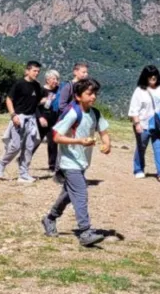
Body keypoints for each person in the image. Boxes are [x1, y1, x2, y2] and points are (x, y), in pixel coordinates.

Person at [41, 78, 111, 247]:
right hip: (69, 162)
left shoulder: (95, 113)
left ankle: (50, 218)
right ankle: (85, 232)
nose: (93, 97)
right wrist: (79, 141)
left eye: (95, 93)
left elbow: (104, 132)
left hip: (82, 162)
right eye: (89, 93)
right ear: (78, 96)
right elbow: (56, 136)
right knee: (80, 193)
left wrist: (107, 144)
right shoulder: (73, 113)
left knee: (68, 194)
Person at [0, 61, 44, 183]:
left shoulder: (37, 86)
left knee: (29, 148)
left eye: (38, 71)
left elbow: (36, 102)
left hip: (31, 119)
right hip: (19, 118)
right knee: (16, 146)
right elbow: (9, 99)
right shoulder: (19, 84)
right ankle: (1, 164)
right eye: (34, 71)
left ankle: (24, 174)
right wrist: (13, 115)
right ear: (27, 71)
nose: (36, 73)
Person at [129, 65, 160, 182]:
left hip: (158, 124)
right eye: (150, 75)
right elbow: (134, 110)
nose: (153, 77)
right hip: (143, 124)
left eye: (155, 75)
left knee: (159, 147)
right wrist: (137, 124)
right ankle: (138, 169)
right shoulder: (139, 91)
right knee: (141, 147)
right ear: (145, 77)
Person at [34, 69, 61, 172]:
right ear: (47, 79)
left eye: (57, 79)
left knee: (53, 143)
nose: (56, 81)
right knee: (36, 141)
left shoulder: (58, 90)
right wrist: (40, 117)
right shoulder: (41, 90)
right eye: (54, 79)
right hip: (42, 119)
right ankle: (23, 160)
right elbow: (34, 106)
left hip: (54, 120)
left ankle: (52, 166)